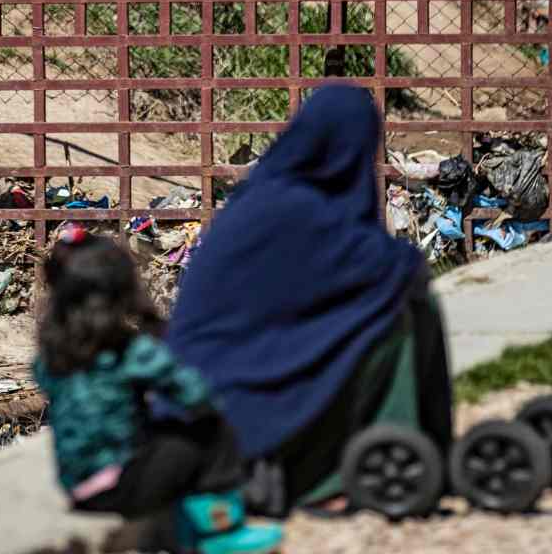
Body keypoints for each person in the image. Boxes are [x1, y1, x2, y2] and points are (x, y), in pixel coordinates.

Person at [163, 84, 453, 517]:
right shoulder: (296, 208)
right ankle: (345, 470)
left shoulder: (269, 195)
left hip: (217, 394)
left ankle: (392, 452)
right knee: (397, 320)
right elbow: (396, 270)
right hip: (227, 411)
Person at [34, 225, 283, 554]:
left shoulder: (52, 351)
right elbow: (194, 394)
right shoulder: (126, 350)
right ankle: (221, 530)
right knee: (211, 431)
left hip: (77, 487)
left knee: (157, 433)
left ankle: (183, 526)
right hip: (122, 486)